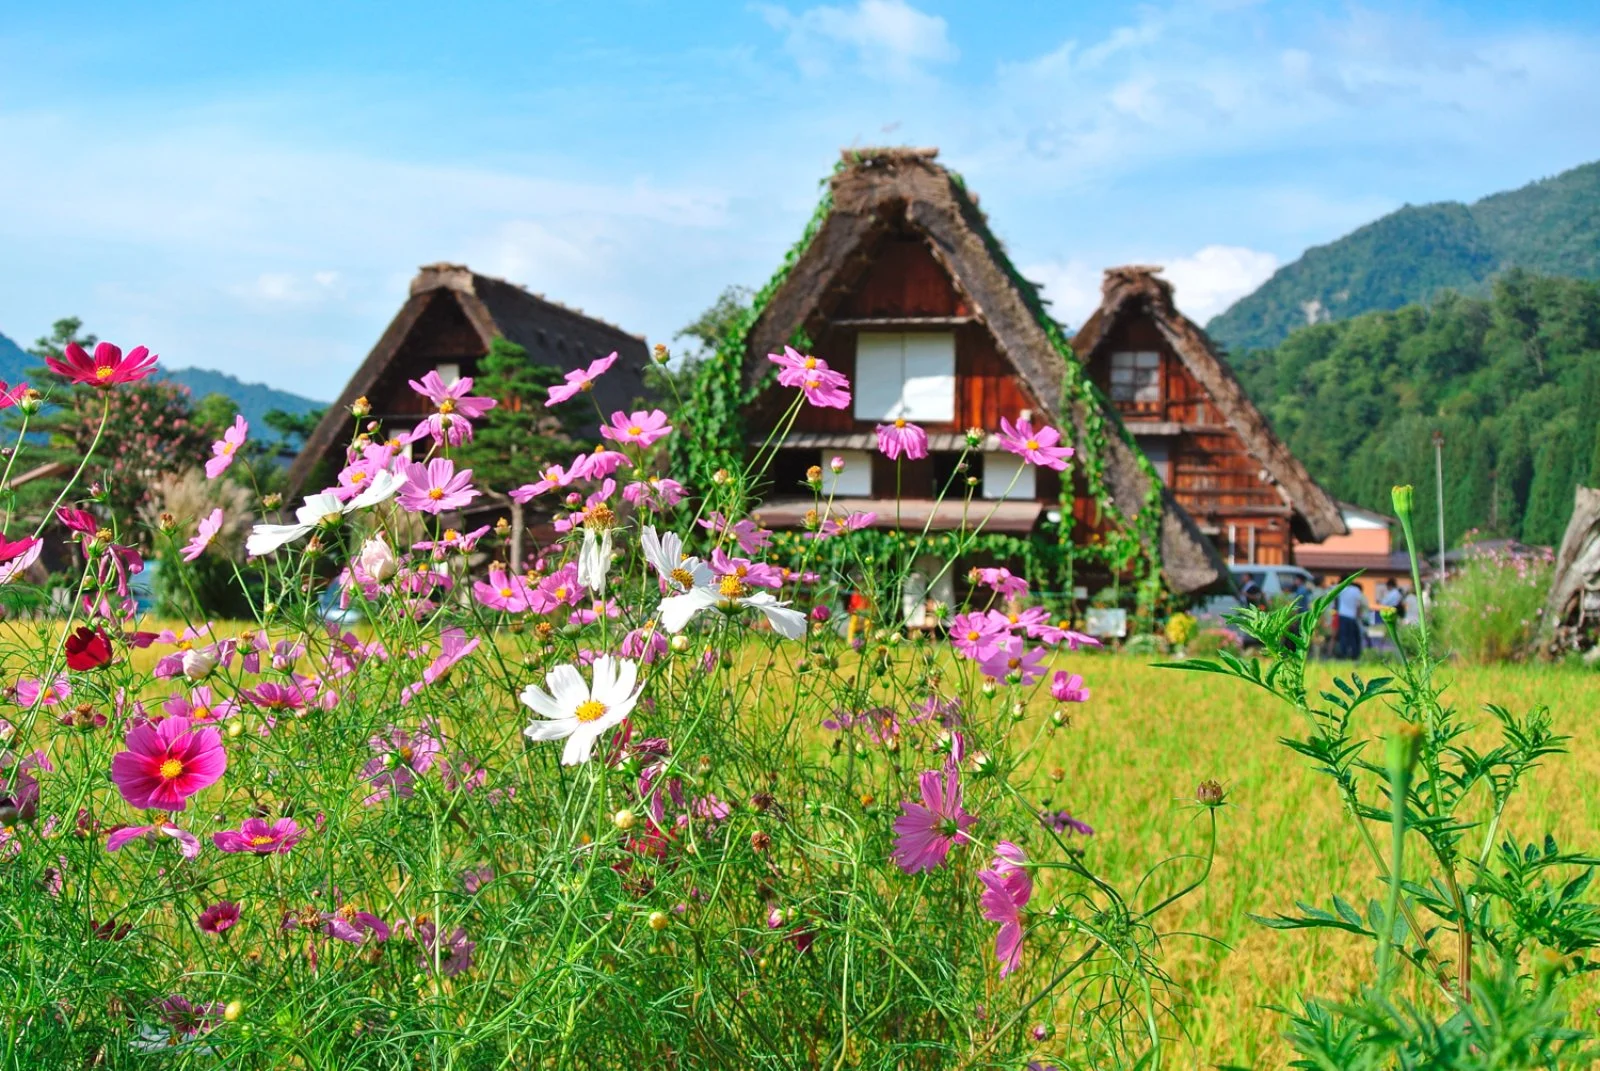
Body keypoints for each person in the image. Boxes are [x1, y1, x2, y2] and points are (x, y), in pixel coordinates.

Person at [1334, 579, 1368, 660]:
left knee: (1343, 636)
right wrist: (1358, 615)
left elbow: (1335, 600)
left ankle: (1343, 653)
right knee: (1353, 636)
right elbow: (1358, 604)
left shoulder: (1341, 589)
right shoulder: (1356, 590)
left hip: (1342, 615)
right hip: (1352, 616)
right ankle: (1354, 654)